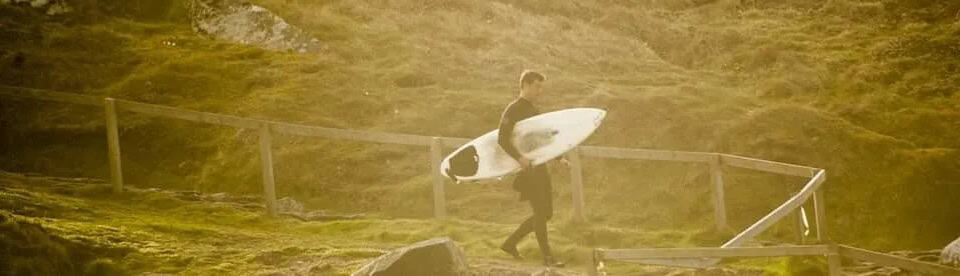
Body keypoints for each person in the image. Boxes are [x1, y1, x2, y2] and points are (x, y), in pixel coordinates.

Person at [497, 70, 565, 268]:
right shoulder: (513, 110)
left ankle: (510, 243)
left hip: (540, 166)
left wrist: (559, 157)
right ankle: (548, 258)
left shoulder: (534, 110)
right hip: (527, 170)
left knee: (546, 213)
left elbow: (541, 139)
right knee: (540, 211)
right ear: (525, 85)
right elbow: (502, 139)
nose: (539, 91)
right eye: (537, 86)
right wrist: (520, 158)